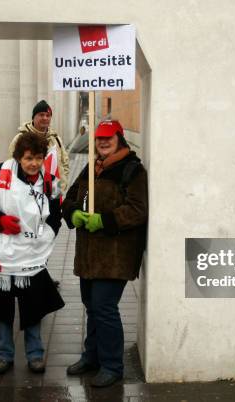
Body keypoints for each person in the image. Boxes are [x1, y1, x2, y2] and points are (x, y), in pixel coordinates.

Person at [61, 120, 148, 387]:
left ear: (120, 138)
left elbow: (137, 209)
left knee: (104, 307)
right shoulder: (92, 166)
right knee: (91, 305)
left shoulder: (133, 170)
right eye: (99, 138)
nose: (102, 142)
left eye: (108, 137)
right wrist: (73, 212)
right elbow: (71, 197)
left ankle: (112, 365)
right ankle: (92, 357)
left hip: (115, 254)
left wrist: (104, 221)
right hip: (89, 254)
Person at [0, 132, 65, 375]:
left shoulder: (49, 180)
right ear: (18, 158)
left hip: (31, 254)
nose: (33, 163)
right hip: (3, 252)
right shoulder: (1, 173)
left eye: (38, 158)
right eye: (28, 158)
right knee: (3, 308)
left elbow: (56, 212)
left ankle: (35, 354)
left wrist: (48, 234)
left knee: (32, 305)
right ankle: (4, 355)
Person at [8, 100, 70, 194]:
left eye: (48, 115)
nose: (45, 118)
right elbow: (12, 164)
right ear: (33, 117)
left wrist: (63, 184)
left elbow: (65, 163)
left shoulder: (56, 139)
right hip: (29, 193)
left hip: (54, 192)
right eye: (41, 115)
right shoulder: (20, 139)